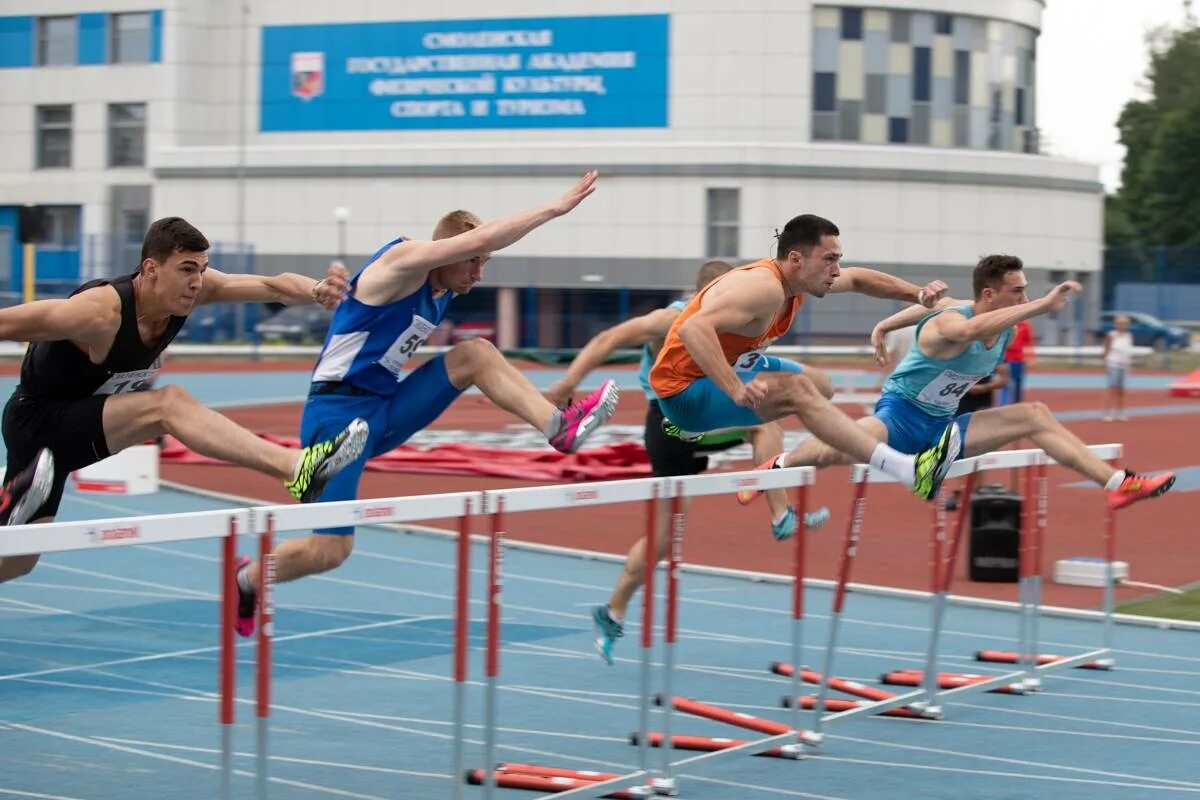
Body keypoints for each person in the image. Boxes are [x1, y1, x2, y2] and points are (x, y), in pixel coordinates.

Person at [233, 172, 620, 636]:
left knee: (474, 354)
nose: (479, 275)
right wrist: (553, 210)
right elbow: (475, 239)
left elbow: (468, 262)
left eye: (485, 264)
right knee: (330, 551)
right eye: (472, 262)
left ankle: (558, 425)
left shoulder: (442, 291)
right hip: (336, 418)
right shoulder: (402, 262)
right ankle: (250, 577)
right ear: (449, 251)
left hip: (386, 408)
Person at [0, 217, 370, 583]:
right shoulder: (99, 311)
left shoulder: (193, 291)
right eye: (187, 269)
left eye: (202, 269)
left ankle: (18, 496)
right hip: (36, 422)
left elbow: (271, 286)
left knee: (16, 562)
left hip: (76, 432)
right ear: (151, 268)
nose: (197, 282)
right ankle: (296, 470)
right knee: (167, 404)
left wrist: (317, 289)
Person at [545, 260, 832, 664]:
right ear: (714, 291)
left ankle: (612, 611)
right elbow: (609, 338)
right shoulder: (673, 319)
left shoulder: (745, 316)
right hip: (670, 426)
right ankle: (777, 506)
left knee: (663, 538)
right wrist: (567, 383)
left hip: (699, 421)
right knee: (763, 424)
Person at [767, 255, 1174, 511]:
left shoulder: (1005, 329)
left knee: (1035, 414)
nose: (1024, 298)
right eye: (1017, 292)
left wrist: (884, 324)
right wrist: (1041, 306)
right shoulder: (953, 320)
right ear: (989, 294)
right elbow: (958, 325)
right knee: (840, 445)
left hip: (945, 426)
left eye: (1027, 292)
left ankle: (1118, 484)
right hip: (900, 416)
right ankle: (778, 465)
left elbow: (927, 307)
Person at [647, 213, 959, 521]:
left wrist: (917, 294)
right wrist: (735, 387)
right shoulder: (763, 288)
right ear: (796, 258)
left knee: (822, 386)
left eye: (838, 260)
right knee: (798, 390)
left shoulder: (797, 282)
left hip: (731, 363)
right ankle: (905, 468)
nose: (836, 271)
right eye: (829, 259)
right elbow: (693, 329)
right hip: (682, 392)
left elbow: (859, 278)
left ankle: (715, 434)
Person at [943, 364, 1008, 510]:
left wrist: (984, 388)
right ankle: (956, 492)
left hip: (982, 405)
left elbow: (1004, 379)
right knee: (955, 447)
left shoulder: (992, 354)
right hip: (957, 404)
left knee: (979, 448)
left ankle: (978, 490)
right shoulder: (957, 352)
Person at [1103, 314, 1134, 421]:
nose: (1122, 326)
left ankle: (1120, 412)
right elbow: (1106, 349)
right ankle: (1108, 412)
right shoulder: (1112, 335)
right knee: (1112, 389)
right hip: (1113, 364)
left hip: (1124, 365)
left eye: (1124, 324)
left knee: (1122, 390)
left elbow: (1128, 351)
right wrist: (1107, 362)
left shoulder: (1128, 335)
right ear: (1116, 325)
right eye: (1120, 324)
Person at [1000, 318, 1035, 404]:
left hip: (1017, 359)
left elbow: (1028, 342)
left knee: (1018, 382)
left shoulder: (1024, 325)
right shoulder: (1005, 324)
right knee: (1004, 382)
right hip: (1005, 358)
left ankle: (1017, 403)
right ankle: (1003, 404)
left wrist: (1031, 358)